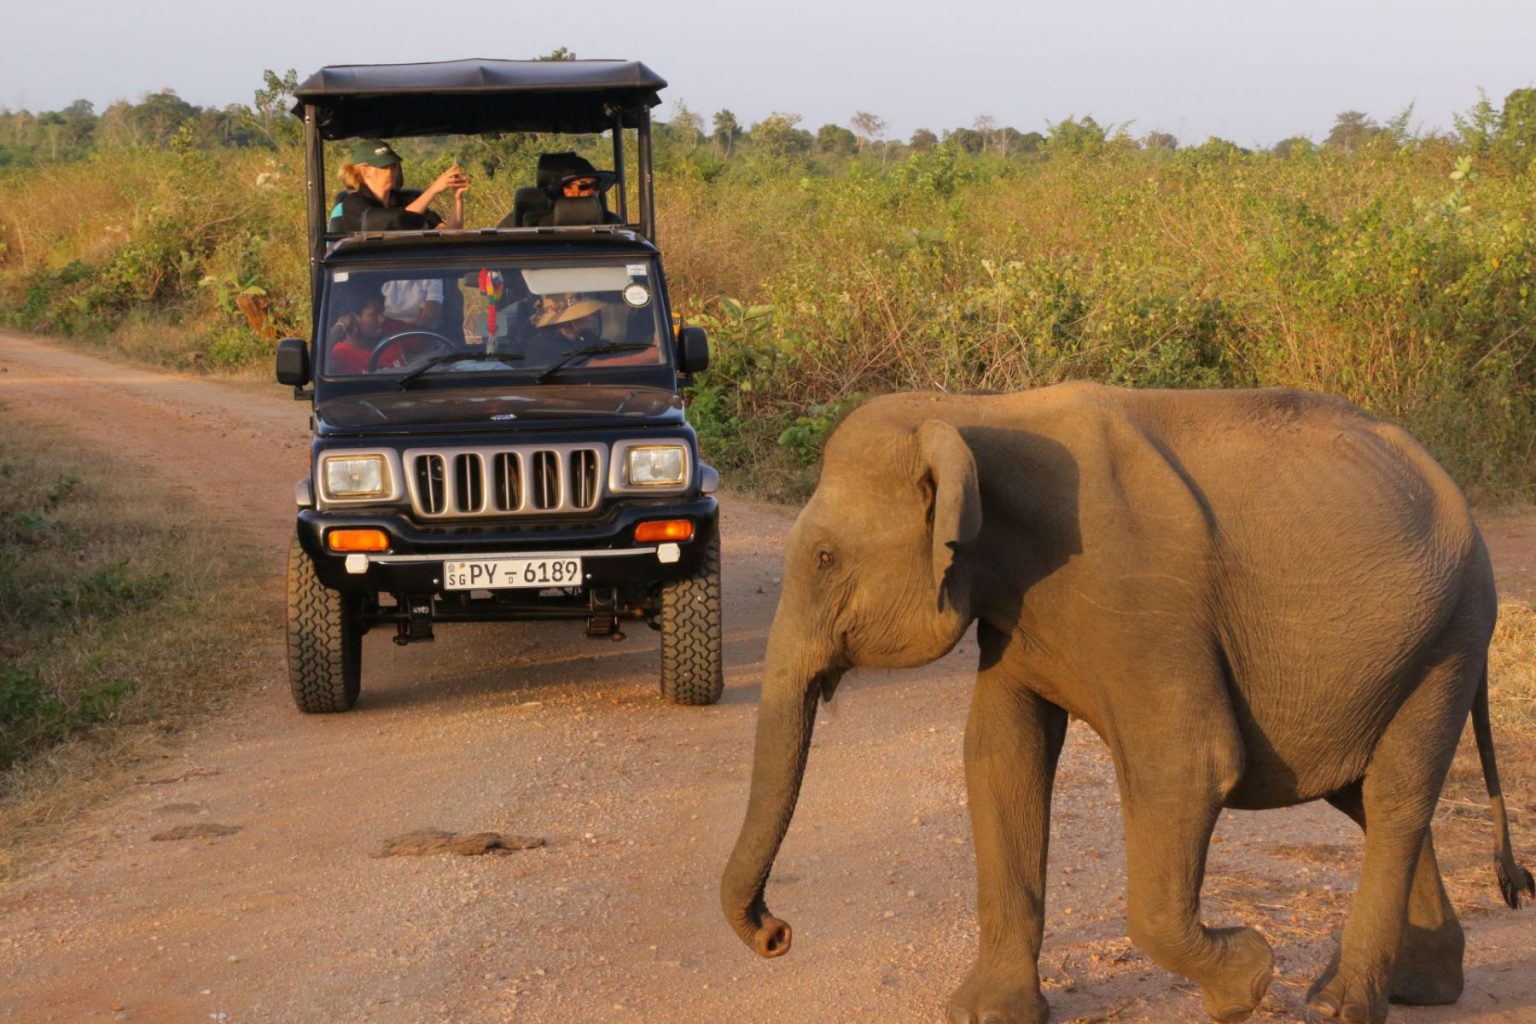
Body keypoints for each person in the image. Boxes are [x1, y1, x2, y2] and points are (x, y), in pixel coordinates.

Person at [329, 140, 470, 233]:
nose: (392, 170)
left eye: (394, 165)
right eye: (384, 166)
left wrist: (458, 198)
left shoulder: (408, 199)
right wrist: (434, 189)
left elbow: (449, 234)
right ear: (365, 171)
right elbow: (395, 223)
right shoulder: (353, 202)